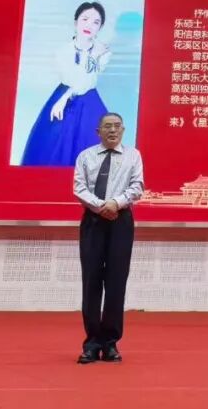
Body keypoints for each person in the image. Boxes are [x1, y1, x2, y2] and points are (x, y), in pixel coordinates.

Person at [73, 112, 144, 364]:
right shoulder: (85, 156)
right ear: (98, 131)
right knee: (91, 281)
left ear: (123, 130)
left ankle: (111, 343)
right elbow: (79, 188)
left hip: (121, 221)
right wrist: (101, 206)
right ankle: (92, 343)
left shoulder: (133, 156)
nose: (112, 130)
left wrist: (115, 203)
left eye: (116, 126)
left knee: (116, 282)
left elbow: (137, 186)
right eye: (107, 126)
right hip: (93, 221)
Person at [21, 1, 112, 166]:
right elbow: (75, 79)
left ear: (100, 27)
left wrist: (64, 98)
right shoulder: (63, 52)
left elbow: (87, 82)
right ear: (76, 22)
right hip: (64, 94)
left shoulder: (103, 51)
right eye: (85, 19)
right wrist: (64, 98)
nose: (89, 25)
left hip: (88, 100)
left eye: (96, 22)